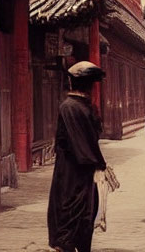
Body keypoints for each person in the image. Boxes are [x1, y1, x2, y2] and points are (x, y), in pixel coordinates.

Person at [48, 61, 108, 252]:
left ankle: (76, 245)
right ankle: (65, 245)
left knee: (84, 208)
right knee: (71, 207)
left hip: (81, 167)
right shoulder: (71, 106)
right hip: (72, 168)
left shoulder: (79, 105)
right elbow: (80, 140)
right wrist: (98, 162)